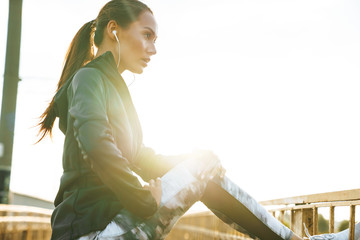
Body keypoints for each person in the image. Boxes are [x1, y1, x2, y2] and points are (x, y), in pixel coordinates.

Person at [37, 0, 348, 239]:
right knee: (202, 166)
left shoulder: (112, 87)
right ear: (114, 30)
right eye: (147, 35)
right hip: (91, 232)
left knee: (203, 163)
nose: (153, 49)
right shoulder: (90, 78)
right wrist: (143, 198)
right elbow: (96, 144)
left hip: (106, 226)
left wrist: (195, 162)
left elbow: (141, 158)